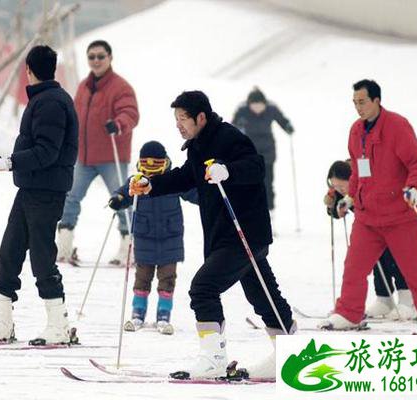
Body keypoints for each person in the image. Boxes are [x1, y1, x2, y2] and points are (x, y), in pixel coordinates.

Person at [129, 91, 294, 379]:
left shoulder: (229, 137)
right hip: (227, 235)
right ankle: (288, 352)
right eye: (176, 119)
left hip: (243, 233)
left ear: (201, 117)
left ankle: (213, 358)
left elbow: (256, 167)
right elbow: (184, 176)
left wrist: (227, 171)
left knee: (203, 288)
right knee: (262, 294)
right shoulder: (197, 146)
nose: (178, 125)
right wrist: (151, 185)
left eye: (183, 119)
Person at [321, 79, 417, 334]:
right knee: (354, 267)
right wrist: (350, 197)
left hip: (400, 215)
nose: (358, 107)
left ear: (377, 100)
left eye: (362, 102)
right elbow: (357, 170)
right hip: (368, 217)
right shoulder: (356, 131)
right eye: (355, 102)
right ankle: (349, 313)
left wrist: (415, 188)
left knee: (414, 270)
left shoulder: (397, 126)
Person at [0, 45, 78, 345]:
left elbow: (47, 152)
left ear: (29, 70)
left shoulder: (50, 103)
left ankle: (58, 326)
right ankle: (2, 323)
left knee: (41, 256)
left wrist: (10, 162)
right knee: (10, 250)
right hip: (31, 189)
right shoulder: (46, 100)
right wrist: (8, 161)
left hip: (47, 191)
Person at [324, 160, 417, 325]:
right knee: (376, 259)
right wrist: (332, 205)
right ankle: (384, 298)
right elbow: (339, 208)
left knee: (406, 260)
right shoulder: (346, 182)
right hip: (372, 223)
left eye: (341, 187)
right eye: (335, 187)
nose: (339, 190)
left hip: (399, 216)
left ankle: (414, 302)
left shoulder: (364, 175)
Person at [56, 39, 139, 266]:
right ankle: (64, 244)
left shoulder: (121, 87)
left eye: (100, 56)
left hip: (111, 156)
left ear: (110, 58)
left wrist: (119, 123)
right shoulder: (84, 87)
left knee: (121, 199)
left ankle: (128, 247)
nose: (96, 61)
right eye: (91, 57)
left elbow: (130, 113)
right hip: (84, 156)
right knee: (70, 197)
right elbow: (74, 115)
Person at [108, 141, 198, 335]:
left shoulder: (172, 180)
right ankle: (137, 313)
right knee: (142, 278)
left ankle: (163, 316)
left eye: (155, 165)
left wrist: (208, 195)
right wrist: (118, 199)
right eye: (147, 166)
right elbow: (124, 193)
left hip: (170, 238)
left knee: (167, 279)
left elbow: (193, 193)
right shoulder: (137, 181)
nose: (151, 171)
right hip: (144, 237)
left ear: (164, 162)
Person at [232, 87, 294, 220]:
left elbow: (282, 120)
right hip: (248, 153)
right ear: (249, 104)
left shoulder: (271, 108)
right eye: (254, 106)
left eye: (260, 106)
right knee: (249, 183)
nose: (258, 109)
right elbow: (233, 126)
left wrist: (287, 126)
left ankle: (270, 213)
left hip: (267, 153)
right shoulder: (242, 110)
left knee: (267, 183)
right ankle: (249, 213)